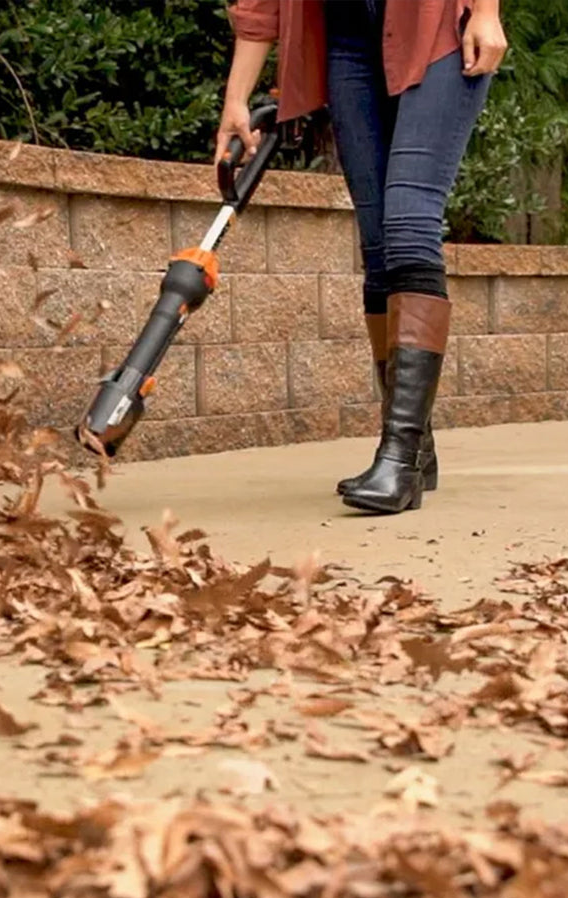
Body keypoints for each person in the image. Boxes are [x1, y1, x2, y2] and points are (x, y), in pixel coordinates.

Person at [216, 0, 506, 514]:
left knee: (409, 221)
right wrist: (235, 100)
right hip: (348, 45)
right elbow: (260, 7)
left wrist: (485, 11)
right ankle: (416, 449)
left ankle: (397, 456)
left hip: (435, 29)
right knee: (378, 247)